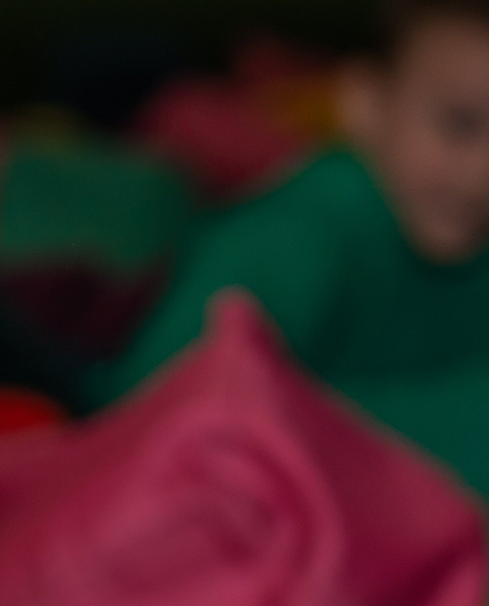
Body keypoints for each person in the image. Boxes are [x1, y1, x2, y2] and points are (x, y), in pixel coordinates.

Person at [110, 0, 489, 489]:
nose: (482, 173)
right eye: (459, 125)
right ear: (366, 104)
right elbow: (154, 417)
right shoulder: (298, 236)